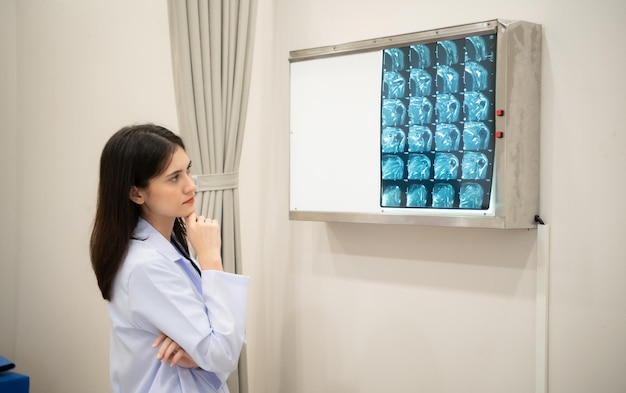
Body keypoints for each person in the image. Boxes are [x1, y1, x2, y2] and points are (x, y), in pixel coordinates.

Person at [90, 123, 249, 393]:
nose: (190, 186)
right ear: (136, 193)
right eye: (174, 177)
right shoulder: (145, 266)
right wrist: (210, 257)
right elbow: (223, 352)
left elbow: (220, 344)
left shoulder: (168, 245)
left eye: (187, 170)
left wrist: (199, 356)